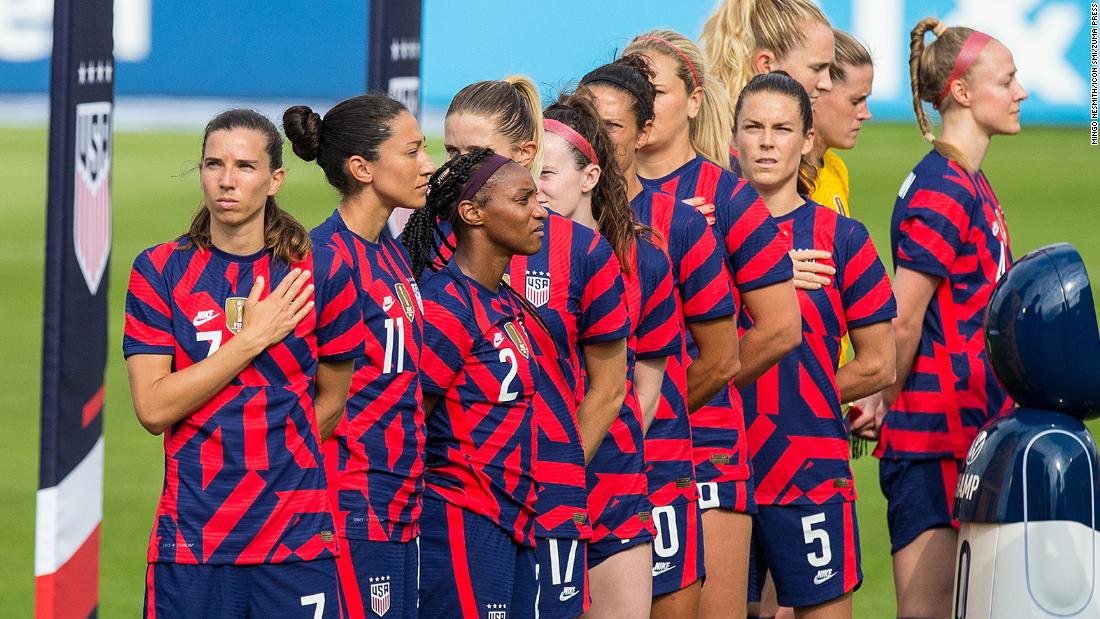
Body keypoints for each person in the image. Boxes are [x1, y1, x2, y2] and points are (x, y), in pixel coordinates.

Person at [124, 109, 364, 618]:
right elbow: (152, 407)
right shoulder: (160, 270)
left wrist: (275, 470)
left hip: (296, 541)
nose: (226, 181)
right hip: (192, 541)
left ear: (275, 179)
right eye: (214, 164)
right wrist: (251, 339)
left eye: (245, 166)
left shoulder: (321, 271)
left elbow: (333, 400)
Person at [623, 31, 802, 619]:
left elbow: (779, 328)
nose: (641, 105)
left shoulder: (726, 195)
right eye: (632, 90)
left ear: (695, 100)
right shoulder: (591, 195)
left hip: (706, 448)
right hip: (614, 446)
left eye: (656, 90)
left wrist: (673, 400)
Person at [852, 18, 1026, 619]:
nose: (1020, 92)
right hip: (933, 441)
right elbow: (902, 318)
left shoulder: (966, 180)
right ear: (962, 93)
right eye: (1006, 81)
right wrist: (879, 395)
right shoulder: (943, 190)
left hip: (969, 433)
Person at [445, 77, 632, 619]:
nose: (458, 168)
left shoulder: (582, 250)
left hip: (554, 498)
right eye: (451, 152)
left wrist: (554, 471)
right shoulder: (430, 244)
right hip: (465, 503)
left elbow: (610, 386)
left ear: (525, 154)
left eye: (475, 154)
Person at [581, 53, 740, 619]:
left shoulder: (680, 223)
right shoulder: (538, 227)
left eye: (613, 127)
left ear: (644, 132)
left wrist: (634, 424)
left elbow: (720, 359)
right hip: (569, 470)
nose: (595, 139)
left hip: (657, 466)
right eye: (585, 122)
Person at [734, 71, 896, 619]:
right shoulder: (699, 234)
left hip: (807, 465)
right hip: (720, 462)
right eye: (753, 127)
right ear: (733, 138)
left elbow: (880, 362)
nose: (765, 141)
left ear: (806, 141)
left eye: (782, 129)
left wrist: (809, 396)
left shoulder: (843, 240)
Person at [283, 94, 435, 619]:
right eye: (412, 151)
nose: (428, 164)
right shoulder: (322, 259)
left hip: (397, 503)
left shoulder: (390, 249)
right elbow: (295, 397)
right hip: (346, 504)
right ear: (361, 167)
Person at [541, 91, 681, 618]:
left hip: (613, 483)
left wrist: (598, 455)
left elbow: (644, 389)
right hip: (533, 486)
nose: (534, 187)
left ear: (589, 178)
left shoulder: (642, 260)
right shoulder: (508, 260)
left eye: (548, 174)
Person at [401, 149, 548, 617]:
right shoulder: (447, 306)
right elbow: (411, 419)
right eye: (524, 199)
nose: (539, 211)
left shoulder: (503, 301)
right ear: (473, 213)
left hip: (513, 516)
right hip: (462, 517)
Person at [808, 30, 874, 219]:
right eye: (856, 101)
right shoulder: (784, 181)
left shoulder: (836, 168)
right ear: (818, 89)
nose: (866, 114)